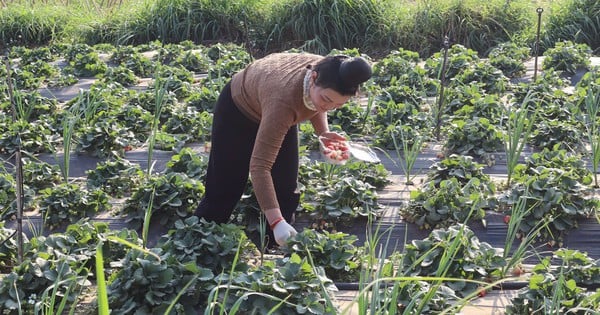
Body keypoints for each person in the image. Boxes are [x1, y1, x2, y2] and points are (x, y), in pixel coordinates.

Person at [194, 52, 372, 247]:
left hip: (273, 105)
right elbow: (260, 167)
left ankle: (274, 245)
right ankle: (202, 240)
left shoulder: (331, 70)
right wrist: (277, 221)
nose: (329, 107)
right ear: (313, 78)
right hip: (238, 108)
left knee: (286, 185)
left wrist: (324, 134)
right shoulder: (283, 102)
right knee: (227, 184)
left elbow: (317, 106)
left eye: (338, 105)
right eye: (327, 100)